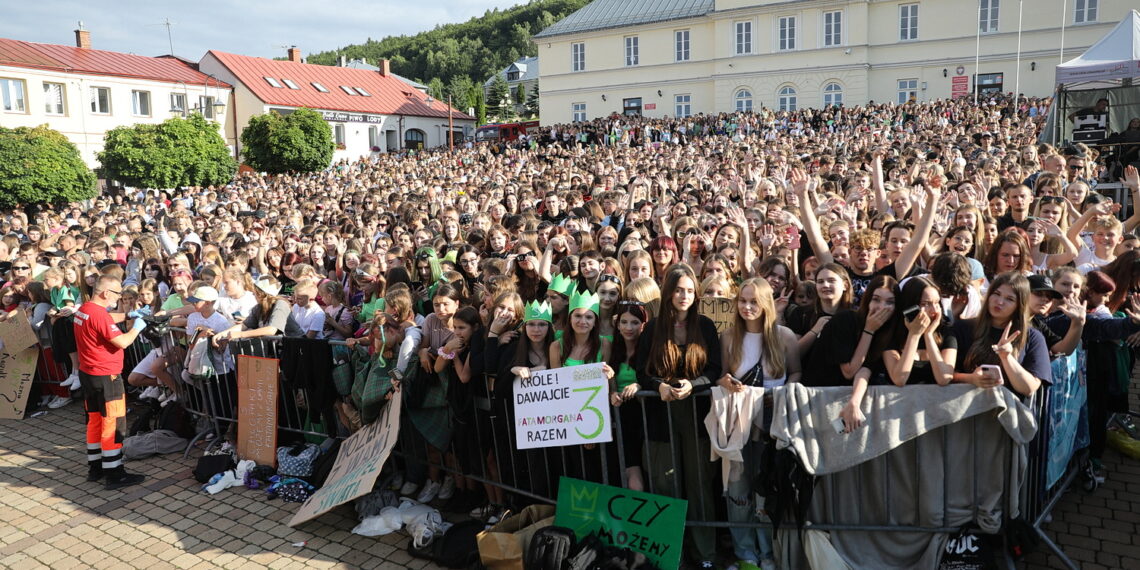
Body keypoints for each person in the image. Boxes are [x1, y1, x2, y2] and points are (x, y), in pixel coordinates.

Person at [716, 278, 799, 570]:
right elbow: (721, 376)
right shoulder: (727, 337)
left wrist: (783, 392)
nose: (747, 307)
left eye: (754, 301)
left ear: (766, 303)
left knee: (766, 491)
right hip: (737, 426)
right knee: (738, 492)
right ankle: (744, 554)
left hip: (772, 425)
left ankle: (767, 553)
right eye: (742, 301)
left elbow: (796, 373)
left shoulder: (785, 336)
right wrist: (725, 381)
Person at [73, 275, 150, 490]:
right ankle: (114, 472)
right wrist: (137, 327)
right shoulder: (99, 315)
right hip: (107, 377)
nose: (119, 297)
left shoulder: (85, 309)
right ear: (106, 293)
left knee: (95, 420)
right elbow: (123, 341)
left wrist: (127, 314)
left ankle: (95, 467)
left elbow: (104, 322)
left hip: (88, 375)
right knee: (113, 424)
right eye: (117, 293)